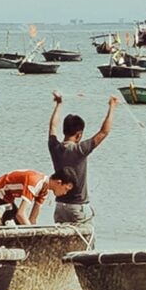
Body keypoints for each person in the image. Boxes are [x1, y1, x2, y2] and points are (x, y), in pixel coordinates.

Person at [46, 92, 117, 227]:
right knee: (85, 239)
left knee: (60, 239)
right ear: (79, 134)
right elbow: (104, 132)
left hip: (60, 206)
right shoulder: (80, 150)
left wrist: (58, 104)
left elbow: (52, 127)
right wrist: (112, 107)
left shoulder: (54, 147)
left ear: (64, 131)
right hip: (77, 207)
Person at [0, 168, 71, 226]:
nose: (65, 193)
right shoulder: (35, 183)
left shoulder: (44, 190)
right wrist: (32, 236)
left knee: (19, 226)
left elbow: (32, 219)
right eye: (66, 189)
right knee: (9, 225)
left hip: (8, 200)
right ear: (59, 182)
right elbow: (20, 214)